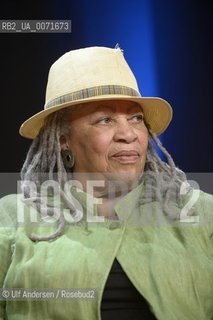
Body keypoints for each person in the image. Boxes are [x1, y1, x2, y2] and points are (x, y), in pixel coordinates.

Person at [0, 46, 212, 320]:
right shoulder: (13, 218)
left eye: (136, 118)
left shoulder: (198, 211)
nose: (128, 134)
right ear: (63, 138)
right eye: (105, 119)